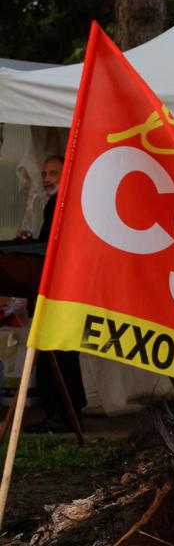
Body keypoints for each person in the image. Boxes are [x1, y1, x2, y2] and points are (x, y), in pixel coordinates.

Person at [19, 156, 88, 433]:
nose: (47, 178)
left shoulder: (60, 203)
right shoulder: (68, 203)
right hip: (68, 290)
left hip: (59, 290)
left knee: (56, 354)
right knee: (64, 352)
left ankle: (61, 412)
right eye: (45, 173)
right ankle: (70, 410)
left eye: (53, 173)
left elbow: (49, 249)